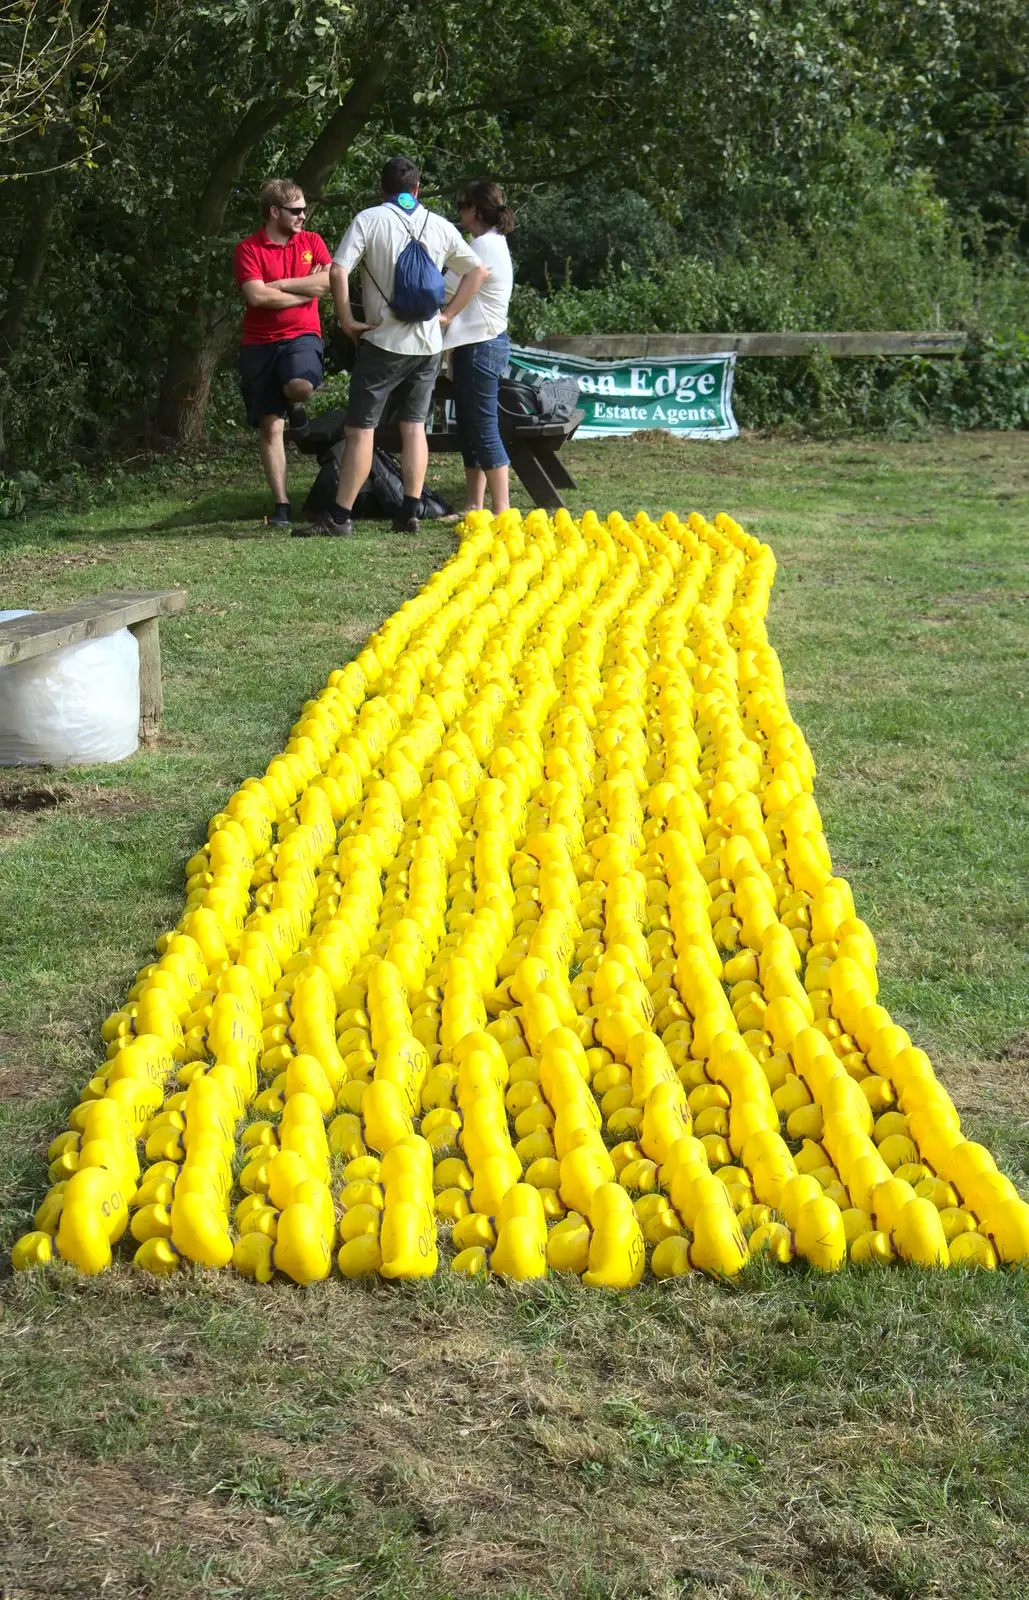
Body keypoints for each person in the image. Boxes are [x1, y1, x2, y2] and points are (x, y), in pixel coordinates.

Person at [312, 155, 488, 538]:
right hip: (427, 346)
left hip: (384, 341)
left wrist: (346, 320)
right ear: (417, 189)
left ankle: (340, 518)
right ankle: (410, 511)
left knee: (361, 430)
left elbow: (338, 270)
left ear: (382, 188)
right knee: (414, 428)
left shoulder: (369, 219)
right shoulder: (439, 225)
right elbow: (477, 272)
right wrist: (448, 315)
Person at [234, 180, 332, 529]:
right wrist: (304, 292)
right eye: (296, 210)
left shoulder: (312, 241)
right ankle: (282, 506)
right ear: (274, 212)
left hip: (301, 336)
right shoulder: (248, 249)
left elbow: (328, 283)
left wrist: (279, 285)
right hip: (258, 344)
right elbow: (257, 298)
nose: (303, 215)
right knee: (270, 426)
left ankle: (296, 404)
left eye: (304, 209)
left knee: (300, 386)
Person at [442, 181, 516, 517]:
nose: (459, 210)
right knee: (471, 427)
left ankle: (501, 510)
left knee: (483, 427)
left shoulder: (482, 246)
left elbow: (446, 286)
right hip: (479, 343)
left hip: (479, 344)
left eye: (462, 204)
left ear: (474, 209)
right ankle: (474, 504)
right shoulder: (491, 242)